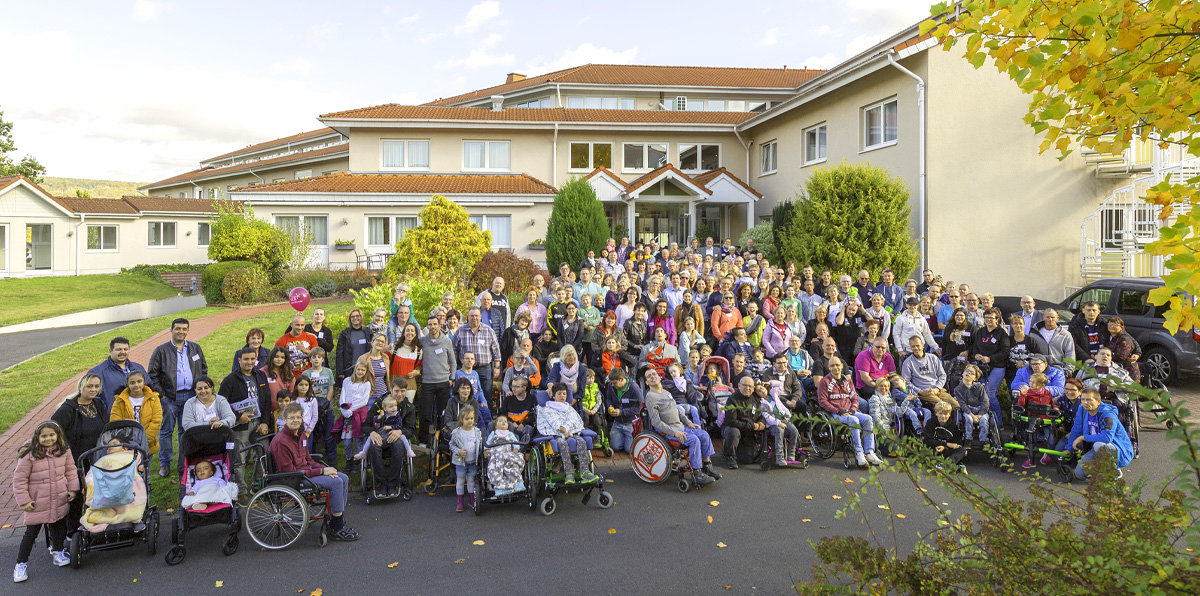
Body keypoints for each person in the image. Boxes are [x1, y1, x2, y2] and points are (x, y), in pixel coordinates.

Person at [271, 403, 357, 540]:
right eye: (292, 417)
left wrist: (323, 469)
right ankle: (337, 527)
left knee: (343, 478)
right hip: (294, 478)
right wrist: (321, 472)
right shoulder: (281, 442)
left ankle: (336, 520)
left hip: (305, 472)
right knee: (336, 482)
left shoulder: (301, 435)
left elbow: (308, 459)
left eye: (298, 417)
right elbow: (288, 471)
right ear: (285, 420)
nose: (296, 420)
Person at [11, 421, 78, 581]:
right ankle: (21, 564)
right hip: (37, 502)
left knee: (58, 527)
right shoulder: (30, 454)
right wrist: (24, 501)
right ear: (37, 437)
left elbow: (71, 469)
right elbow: (19, 480)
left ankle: (58, 551)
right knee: (31, 533)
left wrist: (72, 489)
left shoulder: (63, 450)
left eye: (51, 435)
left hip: (59, 498)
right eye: (44, 436)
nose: (48, 439)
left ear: (58, 435)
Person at [147, 317, 207, 477]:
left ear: (188, 330)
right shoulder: (161, 350)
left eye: (184, 329)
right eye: (178, 328)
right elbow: (152, 374)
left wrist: (199, 390)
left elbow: (203, 368)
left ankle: (183, 462)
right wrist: (162, 395)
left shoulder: (195, 348)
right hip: (169, 398)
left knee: (184, 430)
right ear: (171, 330)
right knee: (166, 430)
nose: (181, 331)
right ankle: (164, 463)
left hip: (190, 396)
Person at [644, 369, 718, 483]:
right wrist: (674, 433)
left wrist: (688, 422)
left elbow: (678, 411)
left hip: (682, 427)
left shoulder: (666, 393)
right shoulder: (650, 397)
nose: (652, 377)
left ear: (659, 377)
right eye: (649, 376)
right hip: (668, 433)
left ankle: (707, 466)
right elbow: (656, 422)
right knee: (694, 440)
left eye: (654, 374)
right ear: (646, 382)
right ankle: (697, 473)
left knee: (703, 434)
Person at [219, 349, 271, 488]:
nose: (249, 362)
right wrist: (237, 417)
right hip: (240, 426)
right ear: (239, 360)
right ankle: (240, 490)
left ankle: (258, 486)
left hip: (258, 423)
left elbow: (266, 400)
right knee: (239, 459)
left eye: (252, 359)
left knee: (264, 453)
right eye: (246, 359)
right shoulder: (230, 380)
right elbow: (221, 403)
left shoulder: (260, 375)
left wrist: (265, 422)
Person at [818, 357, 883, 466]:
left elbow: (854, 398)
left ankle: (869, 452)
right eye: (833, 366)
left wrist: (853, 410)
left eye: (837, 365)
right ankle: (859, 452)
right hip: (835, 413)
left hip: (850, 411)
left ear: (842, 366)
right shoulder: (824, 382)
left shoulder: (847, 381)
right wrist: (837, 411)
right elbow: (822, 401)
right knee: (854, 420)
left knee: (868, 418)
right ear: (829, 367)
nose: (836, 368)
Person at [359, 385, 416, 497]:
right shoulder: (380, 403)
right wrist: (372, 432)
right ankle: (382, 484)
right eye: (397, 391)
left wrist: (400, 431)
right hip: (379, 437)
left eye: (403, 391)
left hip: (396, 439)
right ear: (391, 390)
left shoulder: (409, 407)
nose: (399, 394)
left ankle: (393, 483)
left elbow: (410, 430)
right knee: (374, 447)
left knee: (398, 446)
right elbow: (366, 424)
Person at [1066, 388, 1134, 480]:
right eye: (1083, 399)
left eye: (1089, 400)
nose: (1085, 402)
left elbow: (1107, 438)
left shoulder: (1108, 415)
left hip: (1117, 449)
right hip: (1097, 448)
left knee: (1099, 444)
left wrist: (1083, 437)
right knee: (1080, 473)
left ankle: (1114, 472)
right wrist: (1069, 449)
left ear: (1098, 401)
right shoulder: (1082, 409)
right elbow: (1076, 430)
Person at [537, 383, 598, 485]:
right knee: (562, 443)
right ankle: (569, 473)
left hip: (571, 432)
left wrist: (567, 431)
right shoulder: (546, 408)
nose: (562, 396)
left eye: (564, 394)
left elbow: (574, 420)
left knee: (581, 440)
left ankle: (585, 472)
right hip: (555, 434)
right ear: (553, 396)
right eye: (559, 393)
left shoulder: (569, 408)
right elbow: (553, 422)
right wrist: (564, 431)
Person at [51, 374, 107, 480]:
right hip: (75, 462)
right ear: (81, 387)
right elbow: (53, 431)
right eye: (89, 386)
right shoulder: (68, 409)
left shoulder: (98, 404)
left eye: (96, 386)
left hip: (96, 459)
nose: (93, 389)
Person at [453, 307, 502, 412]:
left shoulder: (488, 330)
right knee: (465, 396)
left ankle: (488, 421)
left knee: (486, 395)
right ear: (468, 317)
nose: (474, 318)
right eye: (472, 316)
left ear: (480, 317)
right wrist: (455, 368)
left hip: (484, 369)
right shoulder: (460, 331)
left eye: (476, 316)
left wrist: (497, 367)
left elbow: (496, 352)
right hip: (466, 371)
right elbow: (454, 351)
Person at [419, 316, 456, 446]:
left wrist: (452, 378)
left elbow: (452, 361)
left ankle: (441, 439)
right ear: (427, 326)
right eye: (430, 324)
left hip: (443, 382)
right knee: (424, 413)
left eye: (435, 324)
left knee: (442, 413)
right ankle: (422, 441)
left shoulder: (446, 342)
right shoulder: (422, 341)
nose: (433, 327)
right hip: (427, 382)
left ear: (439, 325)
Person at [87, 336, 148, 415]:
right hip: (114, 417)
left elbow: (149, 388)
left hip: (140, 415)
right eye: (118, 349)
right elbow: (90, 397)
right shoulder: (97, 372)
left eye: (125, 349)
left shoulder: (138, 368)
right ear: (110, 351)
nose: (122, 352)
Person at [970, 308, 1011, 422]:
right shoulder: (981, 331)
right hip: (981, 367)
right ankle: (985, 419)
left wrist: (990, 358)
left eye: (991, 318)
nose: (988, 320)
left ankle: (998, 421)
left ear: (996, 319)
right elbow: (975, 347)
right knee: (982, 395)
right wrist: (976, 354)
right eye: (986, 318)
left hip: (997, 366)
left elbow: (1005, 351)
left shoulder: (1001, 333)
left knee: (990, 393)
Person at [109, 370, 163, 457]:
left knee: (145, 469)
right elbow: (115, 422)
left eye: (139, 381)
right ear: (127, 384)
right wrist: (126, 442)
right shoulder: (120, 400)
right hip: (126, 445)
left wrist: (144, 441)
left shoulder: (153, 398)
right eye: (132, 383)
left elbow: (156, 421)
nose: (136, 385)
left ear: (144, 382)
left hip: (148, 444)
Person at [336, 362, 374, 468]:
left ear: (366, 372)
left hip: (359, 415)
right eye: (358, 369)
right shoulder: (347, 381)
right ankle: (349, 459)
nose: (360, 372)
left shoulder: (366, 384)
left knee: (358, 440)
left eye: (363, 370)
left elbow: (364, 400)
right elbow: (342, 395)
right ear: (355, 370)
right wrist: (344, 410)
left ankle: (357, 461)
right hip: (347, 415)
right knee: (347, 442)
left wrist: (351, 410)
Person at [756, 381, 800, 468]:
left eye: (762, 388)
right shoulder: (761, 404)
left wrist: (769, 383)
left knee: (794, 431)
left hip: (784, 418)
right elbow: (767, 417)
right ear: (757, 395)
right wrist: (779, 423)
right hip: (773, 424)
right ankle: (780, 457)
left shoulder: (773, 394)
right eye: (758, 391)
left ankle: (791, 453)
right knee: (779, 431)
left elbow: (780, 384)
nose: (762, 390)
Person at [1017, 372, 1056, 469]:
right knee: (1032, 441)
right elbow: (1021, 405)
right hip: (1032, 420)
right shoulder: (1028, 393)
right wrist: (1023, 395)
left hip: (1046, 420)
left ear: (1042, 385)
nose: (1031, 384)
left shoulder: (1047, 394)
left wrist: (1056, 408)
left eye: (1034, 382)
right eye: (1030, 381)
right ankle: (1031, 460)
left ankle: (1048, 455)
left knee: (1051, 440)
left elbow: (1051, 404)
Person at [900, 336, 951, 407]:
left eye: (918, 346)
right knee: (942, 406)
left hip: (937, 389)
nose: (916, 348)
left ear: (923, 346)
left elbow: (942, 375)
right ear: (910, 347)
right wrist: (920, 391)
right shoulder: (907, 362)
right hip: (923, 392)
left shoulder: (933, 358)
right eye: (913, 346)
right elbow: (906, 382)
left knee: (956, 405)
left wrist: (937, 388)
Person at [485, 415, 526, 494]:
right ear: (496, 426)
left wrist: (516, 449)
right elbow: (488, 443)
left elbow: (515, 442)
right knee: (497, 466)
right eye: (500, 421)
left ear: (508, 426)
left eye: (505, 421)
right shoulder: (493, 434)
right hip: (497, 452)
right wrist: (486, 449)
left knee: (514, 464)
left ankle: (518, 483)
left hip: (508, 452)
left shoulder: (510, 434)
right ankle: (500, 486)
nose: (503, 422)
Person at [604, 368, 643, 454]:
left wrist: (621, 412)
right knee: (615, 447)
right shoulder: (611, 386)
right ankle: (624, 439)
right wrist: (610, 406)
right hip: (618, 422)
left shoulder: (634, 388)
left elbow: (638, 408)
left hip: (630, 423)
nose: (612, 385)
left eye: (614, 383)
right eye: (612, 383)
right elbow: (608, 398)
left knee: (629, 449)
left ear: (621, 379)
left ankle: (628, 439)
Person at [924, 402, 967, 473]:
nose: (943, 416)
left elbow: (955, 444)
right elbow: (927, 440)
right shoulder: (930, 423)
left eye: (945, 414)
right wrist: (946, 444)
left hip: (946, 450)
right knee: (928, 455)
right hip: (934, 449)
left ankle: (944, 466)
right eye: (940, 413)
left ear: (949, 414)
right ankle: (956, 467)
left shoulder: (953, 426)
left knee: (963, 451)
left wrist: (945, 447)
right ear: (936, 413)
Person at [893, 297, 938, 363]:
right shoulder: (900, 319)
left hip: (920, 351)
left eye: (914, 305)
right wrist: (900, 350)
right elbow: (896, 335)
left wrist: (936, 347)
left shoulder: (922, 319)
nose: (912, 307)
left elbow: (927, 335)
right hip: (906, 351)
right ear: (906, 305)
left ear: (918, 305)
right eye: (910, 305)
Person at [954, 364, 990, 443]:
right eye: (967, 371)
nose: (969, 373)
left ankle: (984, 439)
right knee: (968, 418)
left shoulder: (979, 387)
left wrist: (980, 415)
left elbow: (985, 401)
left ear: (975, 378)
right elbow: (962, 404)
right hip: (968, 411)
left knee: (984, 419)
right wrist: (973, 416)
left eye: (972, 373)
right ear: (963, 373)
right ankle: (968, 439)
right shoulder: (958, 389)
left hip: (980, 410)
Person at [336, 308, 371, 388]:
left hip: (365, 368)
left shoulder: (368, 332)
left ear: (361, 317)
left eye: (357, 316)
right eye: (353, 317)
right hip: (350, 369)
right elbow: (339, 353)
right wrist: (340, 371)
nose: (355, 318)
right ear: (350, 319)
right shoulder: (345, 334)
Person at [276, 314, 318, 379]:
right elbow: (275, 358)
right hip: (289, 376)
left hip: (307, 375)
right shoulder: (282, 340)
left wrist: (305, 350)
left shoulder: (310, 337)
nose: (300, 327)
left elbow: (317, 355)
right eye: (297, 325)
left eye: (302, 325)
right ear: (291, 324)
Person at [1106, 317, 1143, 384]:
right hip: (1116, 372)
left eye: (1115, 325)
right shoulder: (1109, 337)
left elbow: (1120, 357)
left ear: (1121, 327)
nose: (1112, 326)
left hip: (1127, 373)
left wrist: (1100, 357)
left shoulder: (1125, 339)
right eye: (1110, 324)